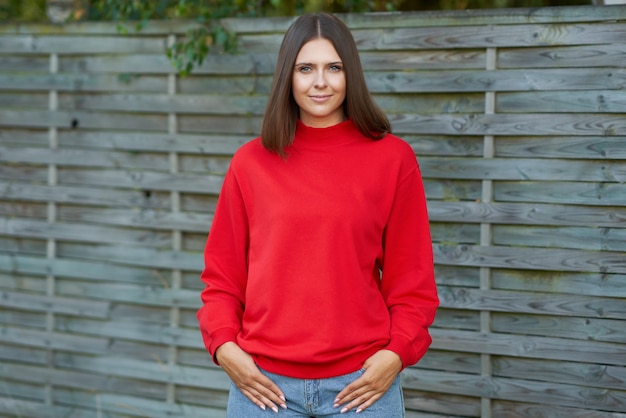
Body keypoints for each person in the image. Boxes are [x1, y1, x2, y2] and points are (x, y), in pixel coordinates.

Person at [197, 12, 439, 417]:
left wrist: (397, 353)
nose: (320, 82)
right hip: (263, 388)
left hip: (362, 387)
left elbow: (412, 282)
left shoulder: (393, 159)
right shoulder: (250, 164)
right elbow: (222, 279)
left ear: (351, 74)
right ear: (287, 77)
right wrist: (224, 348)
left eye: (334, 68)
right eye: (305, 68)